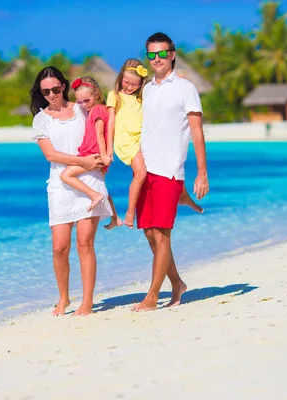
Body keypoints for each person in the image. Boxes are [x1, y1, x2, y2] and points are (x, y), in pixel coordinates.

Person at [132, 32, 210, 312]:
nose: (157, 59)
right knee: (150, 233)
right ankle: (177, 283)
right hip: (144, 171)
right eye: (151, 54)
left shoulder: (186, 88)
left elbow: (197, 132)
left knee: (162, 234)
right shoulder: (147, 88)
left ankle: (152, 295)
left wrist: (201, 172)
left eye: (162, 54)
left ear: (173, 54)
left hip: (169, 170)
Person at [30, 66, 113, 316]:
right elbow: (50, 154)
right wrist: (82, 161)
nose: (52, 95)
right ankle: (64, 297)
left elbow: (106, 121)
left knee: (85, 243)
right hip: (60, 182)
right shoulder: (40, 119)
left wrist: (101, 160)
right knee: (59, 247)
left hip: (88, 179)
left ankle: (87, 302)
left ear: (64, 86)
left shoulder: (81, 108)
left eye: (56, 89)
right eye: (46, 91)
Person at [107, 59, 203, 229]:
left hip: (142, 139)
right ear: (120, 76)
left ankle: (184, 195)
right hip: (127, 142)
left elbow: (161, 90)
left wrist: (179, 80)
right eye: (126, 82)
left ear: (140, 84)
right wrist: (108, 149)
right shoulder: (114, 95)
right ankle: (130, 212)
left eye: (134, 85)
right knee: (141, 174)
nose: (129, 87)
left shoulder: (143, 95)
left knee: (166, 164)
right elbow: (111, 122)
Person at [59, 76, 122, 230]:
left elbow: (100, 134)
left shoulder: (97, 110)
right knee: (103, 187)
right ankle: (115, 218)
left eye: (86, 100)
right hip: (95, 153)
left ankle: (94, 195)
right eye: (79, 102)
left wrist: (105, 155)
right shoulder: (95, 109)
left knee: (66, 175)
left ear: (96, 95)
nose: (83, 105)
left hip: (93, 154)